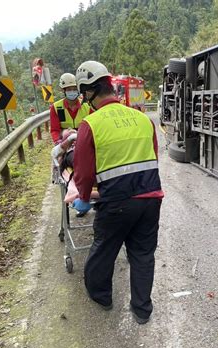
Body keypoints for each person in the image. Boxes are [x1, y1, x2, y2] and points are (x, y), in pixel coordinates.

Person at [72, 61, 163, 324]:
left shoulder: (91, 124)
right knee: (143, 255)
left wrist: (84, 197)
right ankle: (142, 309)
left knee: (104, 249)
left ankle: (102, 295)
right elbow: (153, 158)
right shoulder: (142, 119)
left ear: (89, 91)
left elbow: (84, 172)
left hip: (116, 203)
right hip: (150, 199)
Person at [50, 73, 91, 144]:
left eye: (75, 89)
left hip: (84, 140)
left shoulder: (87, 106)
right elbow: (55, 130)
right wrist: (58, 142)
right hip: (65, 141)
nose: (72, 92)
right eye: (69, 89)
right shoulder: (57, 107)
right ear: (64, 90)